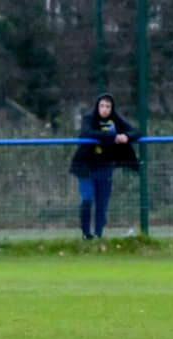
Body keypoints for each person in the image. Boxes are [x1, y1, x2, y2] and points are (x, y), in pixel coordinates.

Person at [69, 93, 141, 239]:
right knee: (87, 198)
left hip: (105, 167)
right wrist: (113, 136)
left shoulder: (115, 119)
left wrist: (126, 136)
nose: (105, 109)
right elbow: (87, 133)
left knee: (102, 203)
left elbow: (136, 131)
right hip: (85, 167)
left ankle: (98, 235)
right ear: (97, 106)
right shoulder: (89, 118)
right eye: (102, 106)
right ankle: (86, 234)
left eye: (108, 106)